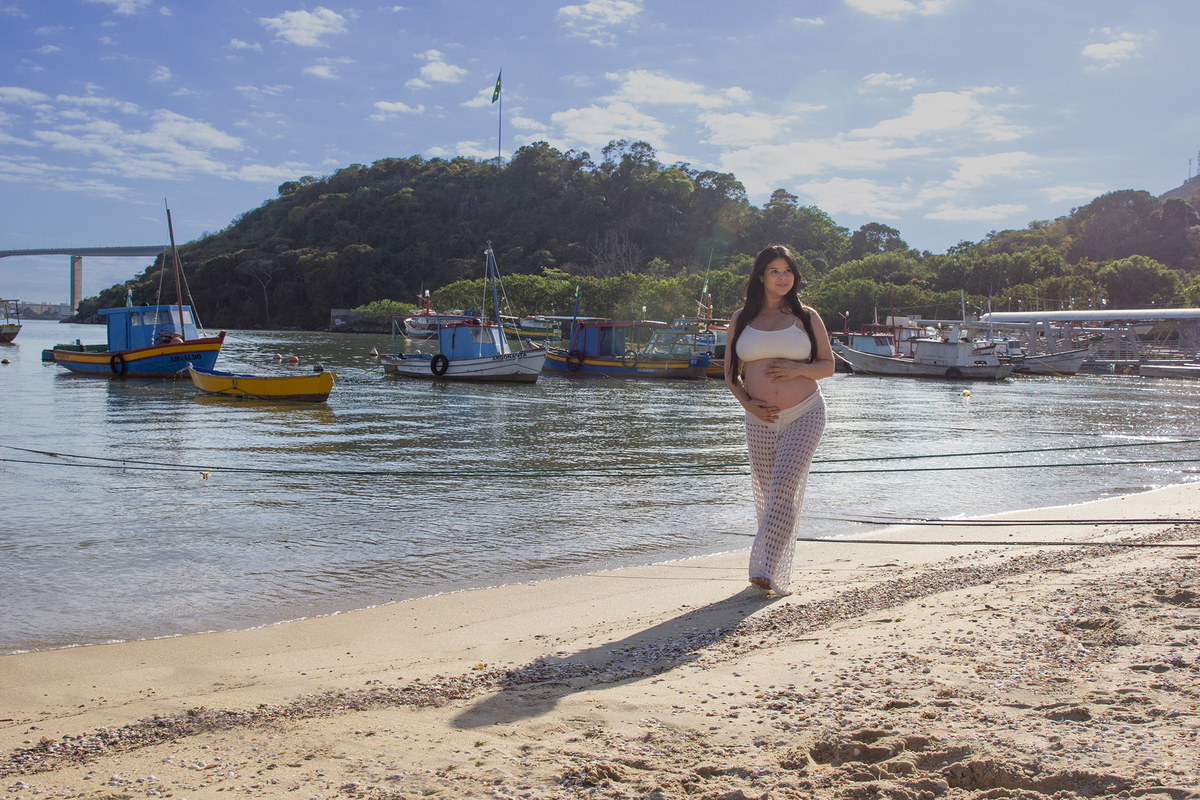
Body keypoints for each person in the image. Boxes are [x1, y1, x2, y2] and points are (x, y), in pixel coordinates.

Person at [724, 245, 835, 596]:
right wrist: (749, 406)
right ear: (761, 276)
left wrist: (796, 369)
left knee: (784, 488)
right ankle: (768, 568)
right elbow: (730, 375)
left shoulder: (806, 316)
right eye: (774, 271)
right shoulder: (741, 319)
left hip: (804, 412)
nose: (782, 277)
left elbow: (828, 365)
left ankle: (763, 567)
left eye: (788, 270)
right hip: (758, 420)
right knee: (769, 494)